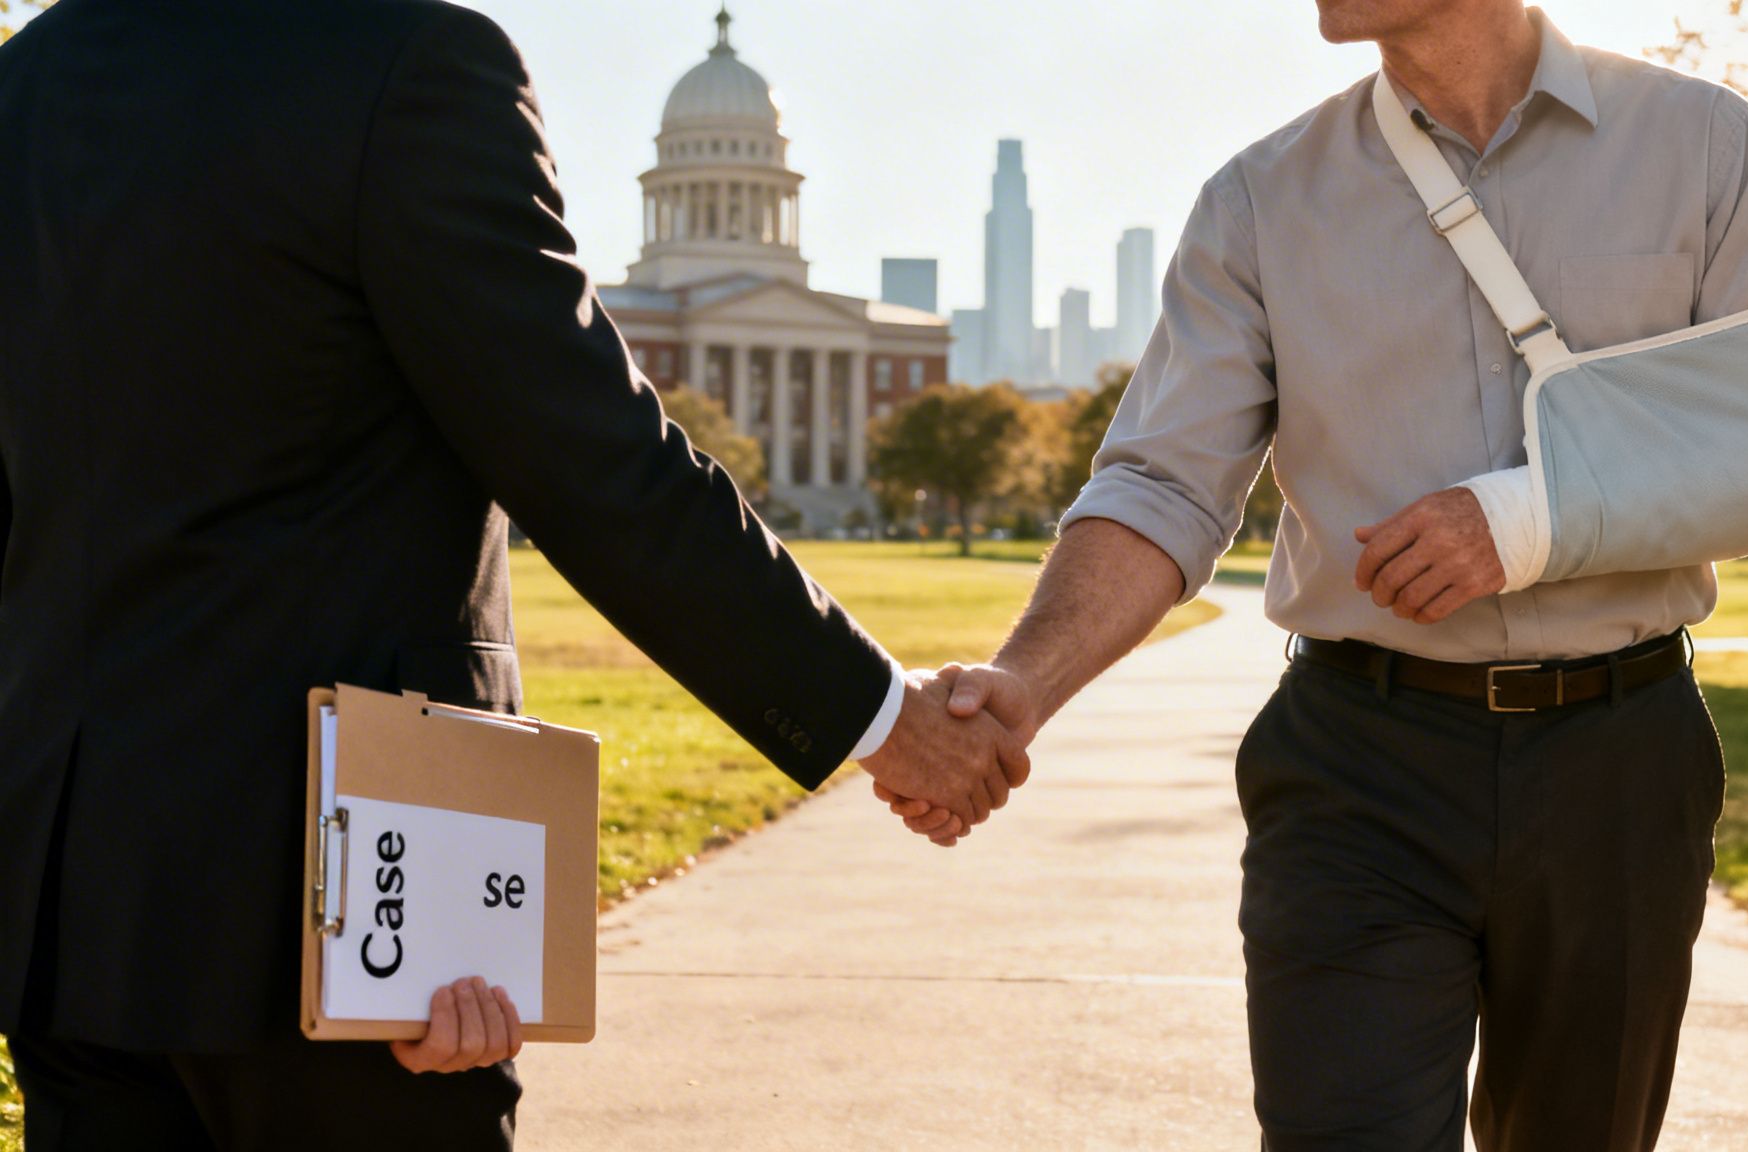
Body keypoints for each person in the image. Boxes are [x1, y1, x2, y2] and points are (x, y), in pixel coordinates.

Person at [0, 0, 1021, 1148]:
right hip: (347, 901)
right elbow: (592, 462)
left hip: (70, 905)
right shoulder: (400, 62)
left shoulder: (30, 77)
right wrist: (885, 717)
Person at [884, 1, 1748, 1147]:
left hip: (1619, 760)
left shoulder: (1700, 144)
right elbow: (1163, 487)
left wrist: (1526, 520)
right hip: (1358, 769)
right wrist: (1022, 684)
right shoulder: (1258, 202)